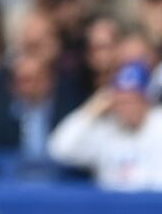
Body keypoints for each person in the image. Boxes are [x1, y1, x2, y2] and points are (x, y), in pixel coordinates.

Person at [48, 61, 162, 190]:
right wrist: (90, 111)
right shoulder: (107, 129)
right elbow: (60, 150)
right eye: (121, 102)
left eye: (133, 101)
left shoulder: (158, 124)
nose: (127, 108)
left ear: (147, 100)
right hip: (111, 207)